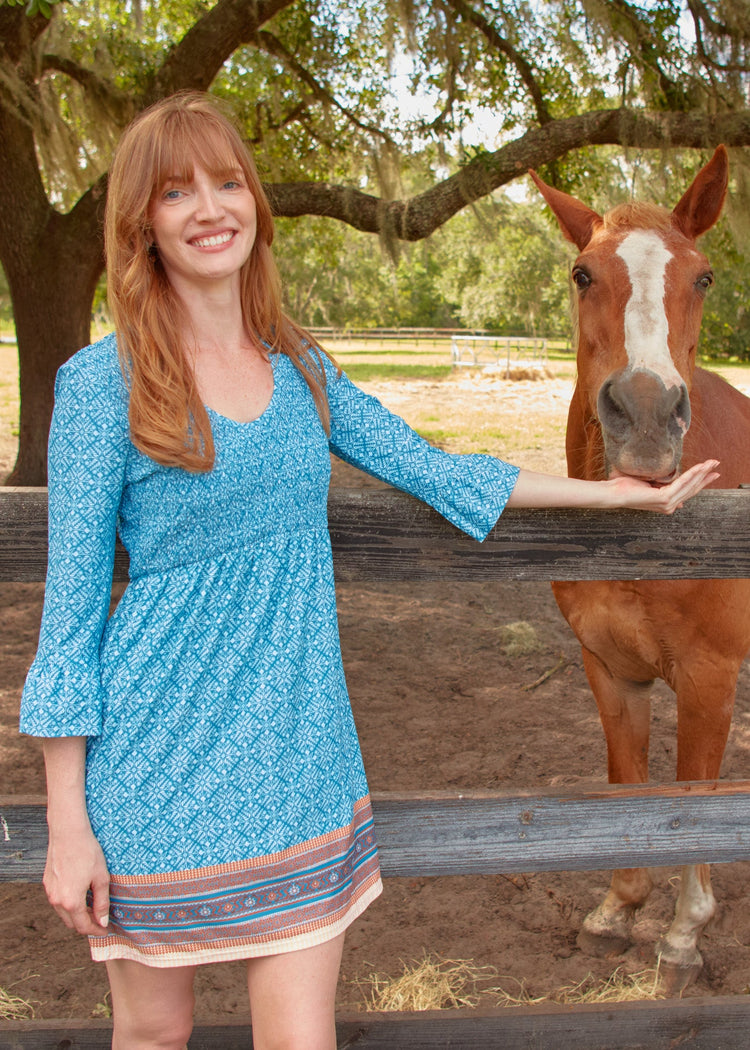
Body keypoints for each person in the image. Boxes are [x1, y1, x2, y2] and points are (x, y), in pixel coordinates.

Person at [19, 91, 718, 1050]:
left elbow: (435, 467)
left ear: (255, 205)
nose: (209, 208)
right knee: (150, 1036)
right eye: (177, 192)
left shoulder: (300, 365)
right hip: (152, 769)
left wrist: (615, 494)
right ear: (142, 221)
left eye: (228, 183)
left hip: (301, 758)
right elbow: (67, 622)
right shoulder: (100, 387)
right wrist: (69, 825)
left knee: (301, 1040)